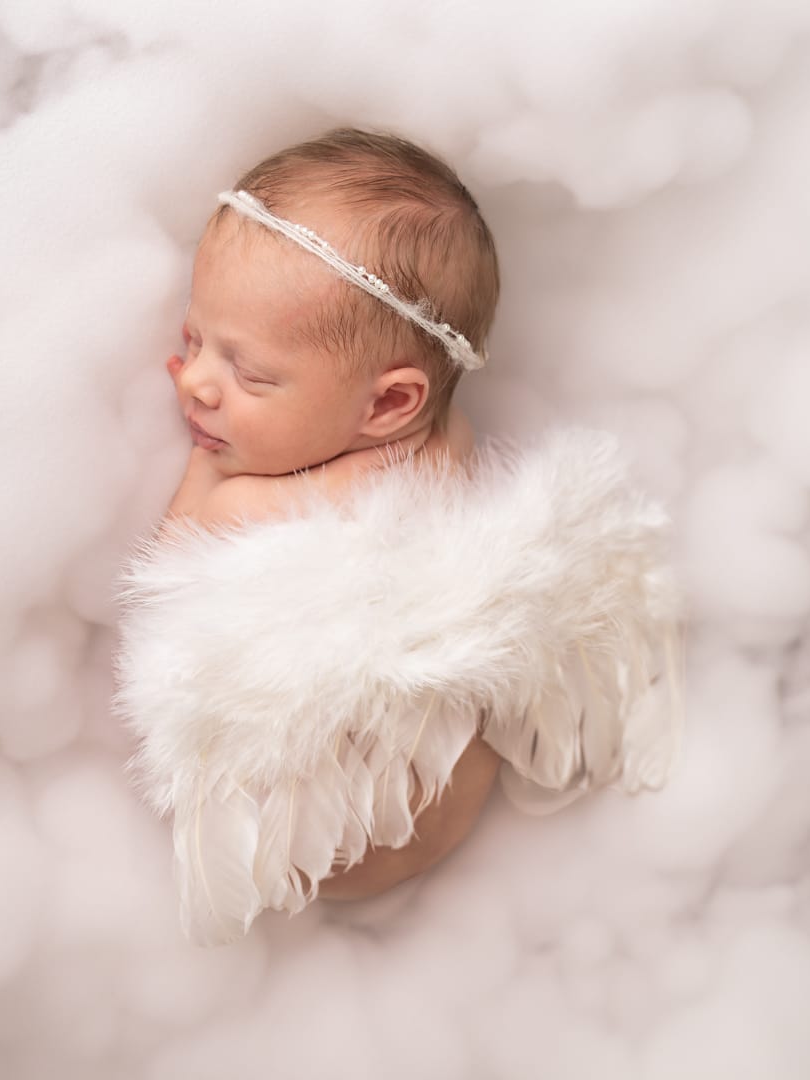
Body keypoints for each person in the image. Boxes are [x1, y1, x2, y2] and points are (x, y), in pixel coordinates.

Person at [117, 129, 682, 945]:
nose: (198, 383)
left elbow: (176, 562)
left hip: (390, 822)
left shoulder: (277, 495)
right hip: (377, 823)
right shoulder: (420, 445)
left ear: (387, 406)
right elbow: (175, 576)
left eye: (249, 373)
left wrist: (232, 484)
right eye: (194, 341)